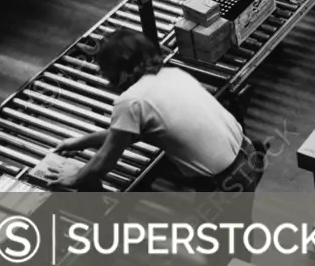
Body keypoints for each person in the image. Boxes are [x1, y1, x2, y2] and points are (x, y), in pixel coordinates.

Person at [49, 30, 262, 192]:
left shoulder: (131, 101)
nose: (106, 79)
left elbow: (105, 161)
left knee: (219, 243)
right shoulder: (172, 74)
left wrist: (75, 177)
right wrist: (80, 142)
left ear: (121, 68)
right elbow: (127, 135)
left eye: (106, 72)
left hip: (224, 181)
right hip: (250, 155)